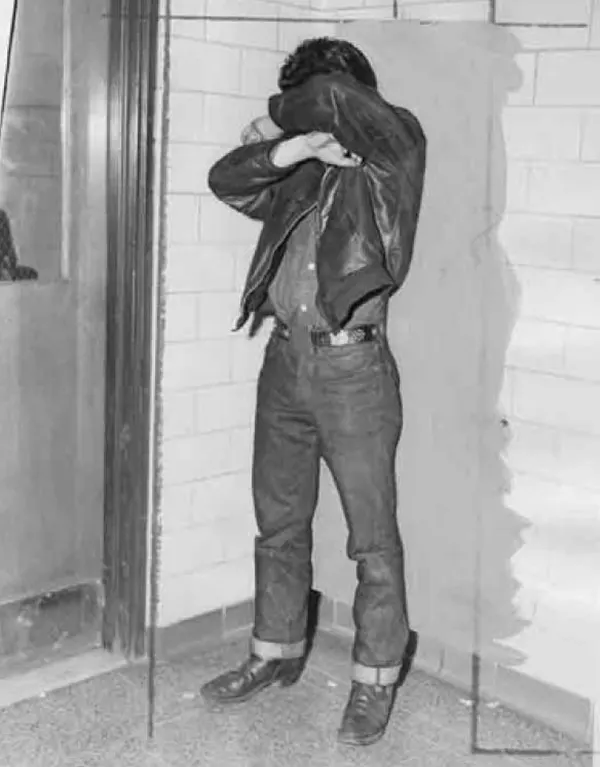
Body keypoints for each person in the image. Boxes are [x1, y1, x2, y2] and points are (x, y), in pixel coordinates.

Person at [200, 37, 427, 747]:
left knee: (372, 541)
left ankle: (376, 677)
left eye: (314, 100)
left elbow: (333, 102)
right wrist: (293, 150)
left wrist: (280, 122)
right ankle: (275, 653)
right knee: (279, 521)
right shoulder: (302, 173)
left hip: (353, 371)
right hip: (284, 362)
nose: (306, 116)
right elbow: (224, 179)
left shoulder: (394, 153)